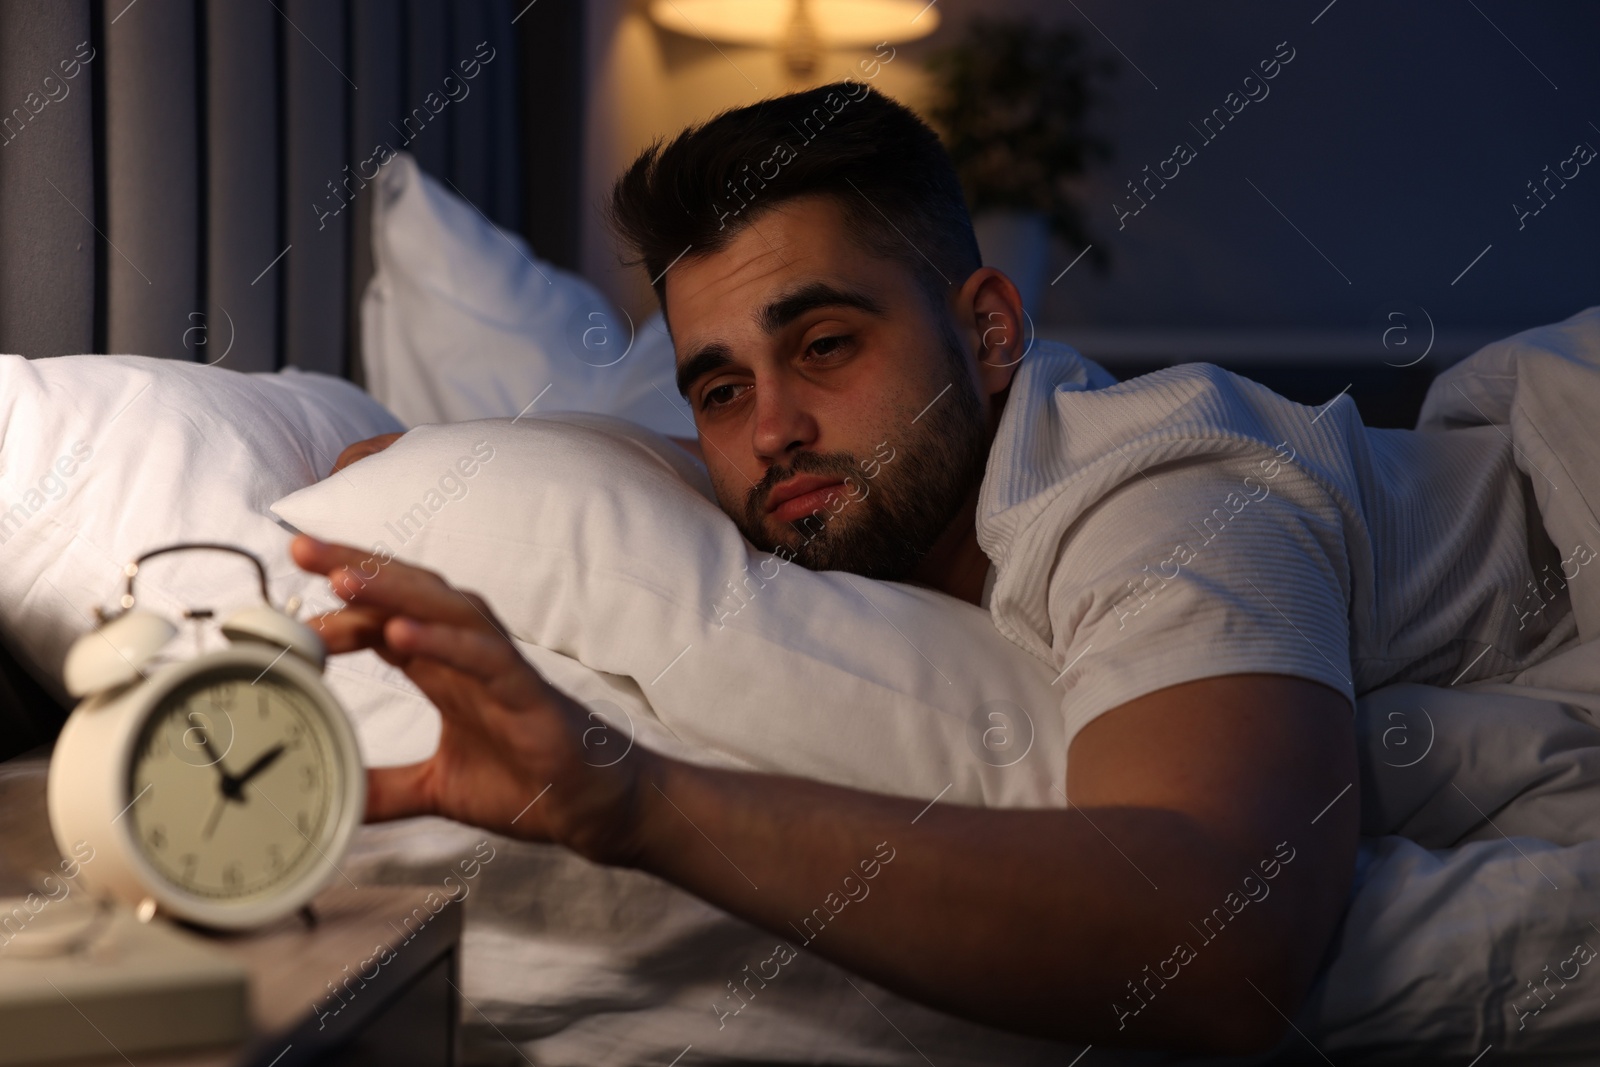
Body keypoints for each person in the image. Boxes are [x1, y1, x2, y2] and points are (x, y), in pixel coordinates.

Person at [299, 83, 1572, 1054]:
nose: (774, 428)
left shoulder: (1167, 488)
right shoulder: (839, 471)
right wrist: (444, 469)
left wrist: (636, 805)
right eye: (720, 386)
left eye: (829, 343)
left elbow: (1220, 940)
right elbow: (553, 459)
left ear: (990, 329)